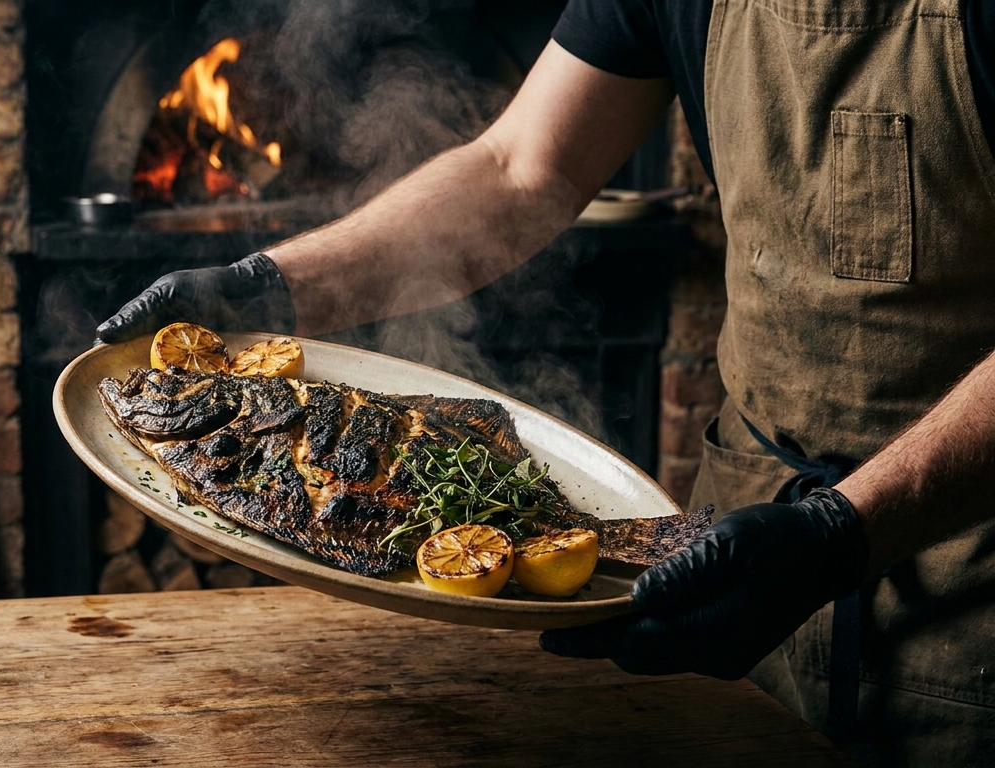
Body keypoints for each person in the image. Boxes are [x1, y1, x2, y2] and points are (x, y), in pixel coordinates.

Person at [95, 1, 995, 763]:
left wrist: (843, 530)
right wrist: (272, 287)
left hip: (967, 577)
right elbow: (521, 170)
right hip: (738, 543)